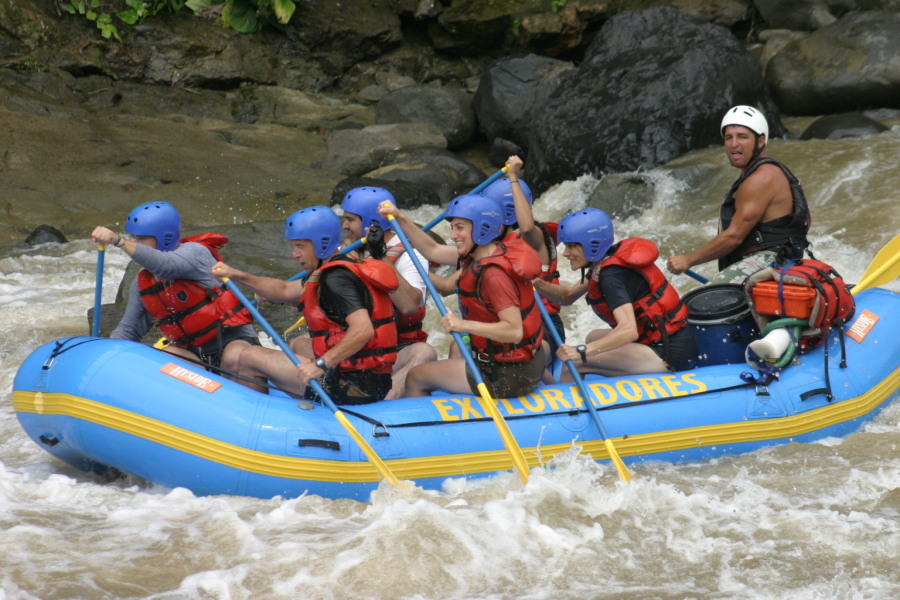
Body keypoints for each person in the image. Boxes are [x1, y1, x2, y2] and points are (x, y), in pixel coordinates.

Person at [212, 205, 401, 405]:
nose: (294, 254)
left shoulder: (335, 280)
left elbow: (363, 329)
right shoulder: (336, 269)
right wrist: (236, 274)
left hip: (352, 386)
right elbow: (284, 290)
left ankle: (251, 422)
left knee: (247, 356)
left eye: (300, 246)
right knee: (299, 343)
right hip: (368, 380)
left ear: (322, 244)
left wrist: (321, 364)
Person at [379, 194, 546, 399]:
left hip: (508, 373)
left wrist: (462, 325)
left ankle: (417, 427)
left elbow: (514, 331)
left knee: (416, 376)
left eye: (460, 228)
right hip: (514, 362)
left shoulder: (494, 275)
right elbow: (433, 249)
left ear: (482, 229)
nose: (453, 235)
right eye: (452, 228)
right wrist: (398, 217)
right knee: (456, 349)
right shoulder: (482, 254)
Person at [90, 201, 261, 379]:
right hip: (195, 356)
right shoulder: (142, 281)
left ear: (165, 237)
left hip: (234, 343)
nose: (135, 244)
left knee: (235, 357)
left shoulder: (194, 253)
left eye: (141, 239)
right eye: (133, 238)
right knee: (166, 356)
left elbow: (167, 266)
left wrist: (119, 241)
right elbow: (129, 331)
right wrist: (103, 356)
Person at [535, 208, 697, 376]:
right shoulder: (605, 262)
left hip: (670, 354)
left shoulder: (612, 276)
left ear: (592, 244)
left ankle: (563, 400)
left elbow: (628, 330)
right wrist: (536, 282)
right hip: (659, 340)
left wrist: (582, 351)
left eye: (571, 246)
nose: (566, 253)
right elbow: (566, 296)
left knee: (573, 363)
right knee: (593, 337)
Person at [666, 105, 811, 284]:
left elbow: (734, 237)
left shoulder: (761, 178)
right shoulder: (763, 173)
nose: (734, 144)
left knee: (705, 301)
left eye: (742, 137)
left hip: (773, 260)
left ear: (760, 141)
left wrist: (688, 260)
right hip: (779, 258)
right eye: (729, 137)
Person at [339, 186, 437, 399]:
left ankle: (385, 406)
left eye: (350, 220)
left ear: (371, 224)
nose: (344, 226)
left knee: (424, 353)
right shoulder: (347, 250)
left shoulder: (411, 255)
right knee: (299, 342)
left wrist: (381, 258)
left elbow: (411, 304)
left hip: (395, 349)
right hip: (352, 345)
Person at [490, 155, 566, 353]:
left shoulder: (535, 238)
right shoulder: (491, 248)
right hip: (513, 325)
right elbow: (447, 283)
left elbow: (526, 226)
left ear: (506, 214)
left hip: (545, 324)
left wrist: (513, 177)